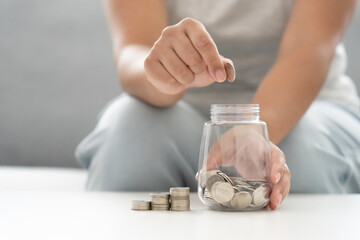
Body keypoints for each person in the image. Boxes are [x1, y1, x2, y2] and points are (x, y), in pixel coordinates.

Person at [76, 0, 360, 210]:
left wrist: (255, 131)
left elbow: (311, 46)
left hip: (307, 106)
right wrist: (165, 76)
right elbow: (134, 49)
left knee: (300, 157)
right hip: (184, 111)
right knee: (128, 134)